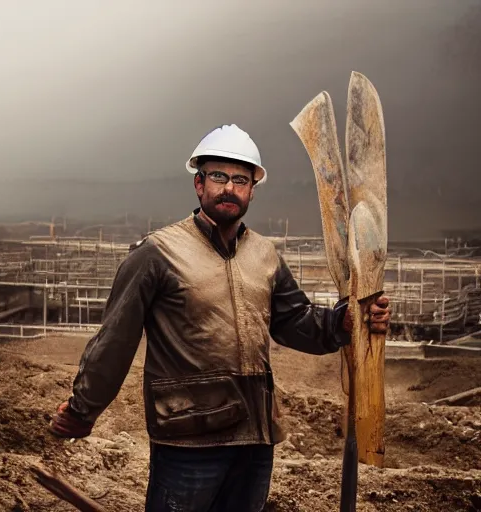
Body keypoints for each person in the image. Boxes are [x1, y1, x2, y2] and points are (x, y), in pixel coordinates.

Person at [49, 124, 391, 511]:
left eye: (240, 180)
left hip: (255, 440)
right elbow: (114, 341)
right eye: (219, 177)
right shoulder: (157, 253)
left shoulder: (264, 254)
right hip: (189, 441)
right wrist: (83, 410)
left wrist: (344, 322)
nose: (229, 187)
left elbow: (295, 321)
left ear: (251, 191)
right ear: (199, 184)